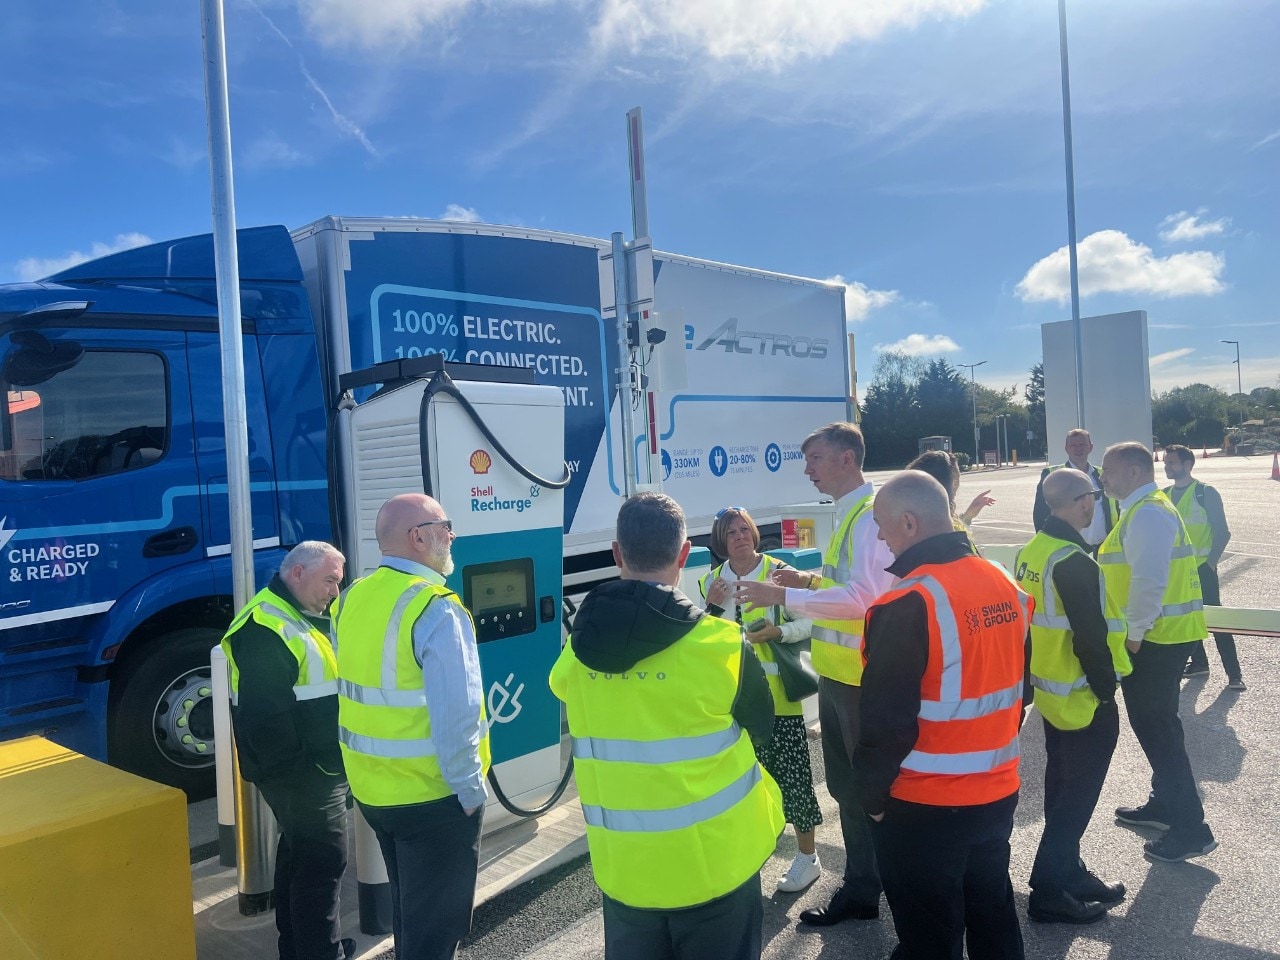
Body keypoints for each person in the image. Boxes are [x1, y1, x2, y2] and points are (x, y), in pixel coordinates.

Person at [551, 492, 784, 960]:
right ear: (684, 556)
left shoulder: (577, 653)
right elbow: (763, 726)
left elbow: (562, 689)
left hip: (626, 874)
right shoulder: (722, 645)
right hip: (718, 868)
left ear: (618, 554)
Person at [855, 471, 1031, 960]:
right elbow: (1021, 688)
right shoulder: (1002, 579)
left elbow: (884, 721)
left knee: (929, 934)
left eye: (882, 526)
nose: (882, 538)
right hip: (996, 789)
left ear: (908, 523)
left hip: (922, 803)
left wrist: (870, 798)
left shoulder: (907, 601)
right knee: (992, 911)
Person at [736, 421, 895, 926]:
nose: (807, 471)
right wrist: (809, 579)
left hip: (858, 680)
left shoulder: (869, 518)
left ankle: (877, 888)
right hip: (837, 675)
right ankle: (865, 887)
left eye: (816, 460)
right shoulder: (851, 515)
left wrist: (785, 595)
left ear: (847, 459)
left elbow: (866, 600)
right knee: (848, 791)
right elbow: (851, 583)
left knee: (866, 793)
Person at [333, 494, 490, 960]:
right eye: (445, 525)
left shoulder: (354, 596)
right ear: (417, 537)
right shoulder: (437, 609)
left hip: (375, 792)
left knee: (409, 914)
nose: (451, 535)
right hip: (432, 797)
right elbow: (456, 714)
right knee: (434, 932)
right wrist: (469, 790)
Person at [220, 540, 355, 960]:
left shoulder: (298, 614)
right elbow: (265, 718)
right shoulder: (263, 624)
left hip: (311, 768)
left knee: (300, 858)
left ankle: (300, 949)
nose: (335, 591)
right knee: (323, 864)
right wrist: (308, 774)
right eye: (330, 580)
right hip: (304, 773)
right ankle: (321, 953)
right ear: (297, 573)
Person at [1015, 469, 1131, 924]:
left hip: (1051, 695)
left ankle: (1069, 870)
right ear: (1082, 501)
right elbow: (1091, 639)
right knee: (1075, 799)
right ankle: (1048, 888)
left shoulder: (1032, 552)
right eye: (1093, 497)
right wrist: (1108, 690)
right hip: (1084, 699)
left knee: (1061, 788)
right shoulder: (1073, 561)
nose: (1095, 505)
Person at [1099, 442, 1217, 863]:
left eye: (1108, 471)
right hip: (1159, 636)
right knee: (1158, 727)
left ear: (1132, 471)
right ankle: (1165, 804)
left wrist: (1132, 638)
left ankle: (1190, 829)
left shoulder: (1148, 512)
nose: (1103, 478)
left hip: (1155, 640)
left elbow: (1147, 583)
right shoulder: (1144, 508)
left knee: (1158, 731)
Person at [699, 506, 824, 894]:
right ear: (721, 541)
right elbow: (700, 637)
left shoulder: (778, 570)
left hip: (778, 700)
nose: (739, 536)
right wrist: (713, 607)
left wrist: (779, 634)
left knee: (794, 778)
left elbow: (813, 620)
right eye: (730, 532)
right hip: (731, 702)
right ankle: (751, 854)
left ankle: (808, 858)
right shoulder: (710, 581)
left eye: (744, 529)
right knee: (742, 783)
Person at [1163, 444, 1245, 690]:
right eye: (1166, 462)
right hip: (1175, 570)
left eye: (1172, 463)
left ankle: (1234, 674)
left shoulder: (1205, 493)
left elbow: (1222, 531)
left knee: (1217, 619)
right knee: (1185, 616)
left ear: (1187, 465)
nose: (1167, 466)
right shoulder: (1164, 495)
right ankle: (1199, 663)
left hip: (1201, 568)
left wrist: (1210, 563)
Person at [1032, 429, 1118, 548]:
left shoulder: (1102, 475)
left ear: (1090, 447)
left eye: (1082, 444)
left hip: (1103, 548)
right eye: (1073, 445)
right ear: (1067, 449)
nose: (1078, 449)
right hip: (1068, 547)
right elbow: (1040, 513)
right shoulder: (1053, 475)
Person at [906, 449, 993, 544]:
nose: (957, 485)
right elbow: (961, 549)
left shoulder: (907, 516)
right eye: (956, 479)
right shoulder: (940, 525)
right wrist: (966, 519)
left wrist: (967, 517)